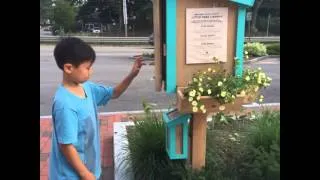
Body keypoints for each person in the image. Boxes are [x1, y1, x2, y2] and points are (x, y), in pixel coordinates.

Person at [48, 37, 143, 180]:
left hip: (89, 169)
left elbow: (114, 93)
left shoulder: (87, 88)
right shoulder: (65, 104)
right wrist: (85, 174)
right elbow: (66, 146)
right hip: (70, 175)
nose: (90, 71)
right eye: (87, 67)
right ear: (68, 68)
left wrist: (132, 75)